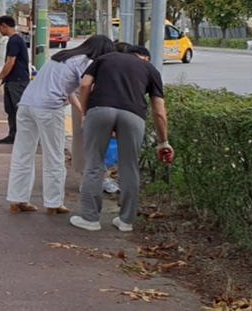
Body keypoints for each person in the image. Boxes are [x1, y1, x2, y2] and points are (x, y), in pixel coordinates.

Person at [70, 44, 175, 233]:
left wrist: (85, 112)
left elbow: (85, 84)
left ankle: (90, 219)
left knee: (94, 164)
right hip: (134, 115)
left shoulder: (105, 58)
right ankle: (126, 221)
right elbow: (159, 111)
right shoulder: (150, 69)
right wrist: (163, 142)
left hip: (99, 109)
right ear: (144, 57)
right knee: (129, 166)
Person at [6, 35, 115, 215]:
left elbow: (68, 91)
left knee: (22, 154)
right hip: (49, 108)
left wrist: (82, 111)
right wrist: (88, 111)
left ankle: (17, 199)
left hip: (26, 105)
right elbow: (85, 87)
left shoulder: (61, 56)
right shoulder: (86, 62)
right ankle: (54, 203)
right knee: (54, 155)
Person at [0, 16, 31, 145]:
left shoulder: (15, 41)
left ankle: (23, 137)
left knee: (19, 110)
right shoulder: (14, 40)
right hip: (12, 80)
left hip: (18, 81)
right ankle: (13, 135)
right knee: (10, 109)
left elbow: (10, 62)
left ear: (4, 26)